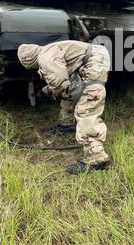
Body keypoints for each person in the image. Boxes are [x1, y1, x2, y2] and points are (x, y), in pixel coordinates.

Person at [17, 40, 111, 175]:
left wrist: (51, 92)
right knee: (70, 92)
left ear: (27, 61)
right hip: (92, 57)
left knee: (87, 106)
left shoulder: (45, 57)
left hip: (94, 60)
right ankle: (66, 125)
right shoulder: (47, 51)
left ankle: (96, 158)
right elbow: (62, 78)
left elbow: (60, 83)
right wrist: (46, 91)